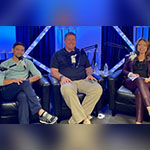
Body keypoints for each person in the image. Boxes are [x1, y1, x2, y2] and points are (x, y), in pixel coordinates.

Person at [50, 32, 103, 124]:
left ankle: (75, 120)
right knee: (67, 90)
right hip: (68, 81)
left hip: (83, 80)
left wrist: (90, 75)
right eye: (69, 39)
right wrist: (62, 77)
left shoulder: (81, 53)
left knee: (97, 88)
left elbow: (88, 68)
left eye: (73, 39)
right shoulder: (58, 54)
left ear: (76, 41)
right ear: (65, 41)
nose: (71, 41)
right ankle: (84, 118)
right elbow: (53, 71)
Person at [0, 42, 58, 124]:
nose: (20, 52)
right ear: (13, 50)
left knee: (23, 96)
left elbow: (38, 75)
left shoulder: (27, 62)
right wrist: (14, 80)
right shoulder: (4, 64)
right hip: (8, 90)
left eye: (22, 50)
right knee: (24, 83)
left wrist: (27, 81)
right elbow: (0, 82)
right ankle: (40, 112)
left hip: (22, 88)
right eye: (17, 49)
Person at [122, 38, 150, 124]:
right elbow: (123, 70)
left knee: (139, 92)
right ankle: (149, 107)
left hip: (145, 82)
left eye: (144, 45)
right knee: (138, 78)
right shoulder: (131, 57)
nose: (142, 47)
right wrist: (131, 74)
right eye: (139, 44)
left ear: (147, 47)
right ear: (136, 46)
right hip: (131, 81)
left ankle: (138, 122)